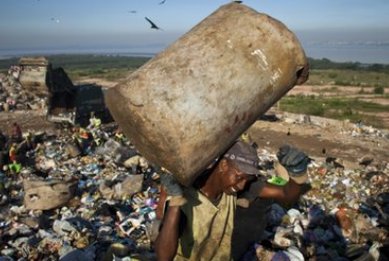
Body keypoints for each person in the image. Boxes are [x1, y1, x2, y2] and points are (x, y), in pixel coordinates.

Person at [154, 140, 310, 261]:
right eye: (239, 177)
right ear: (223, 165)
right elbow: (164, 257)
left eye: (246, 179)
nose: (241, 185)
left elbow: (287, 193)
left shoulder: (234, 188)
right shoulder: (187, 197)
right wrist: (175, 201)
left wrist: (297, 173)